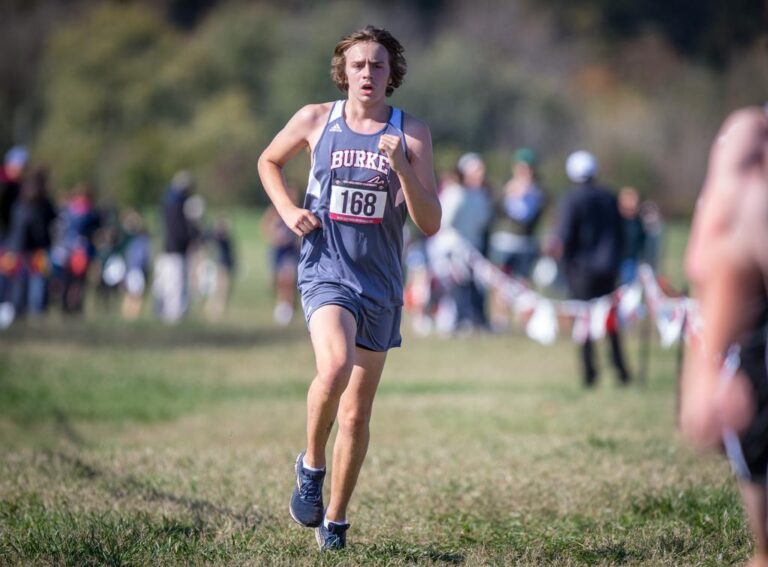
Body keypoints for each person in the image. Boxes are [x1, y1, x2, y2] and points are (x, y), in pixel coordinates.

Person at [257, 26, 440, 551]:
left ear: (392, 73)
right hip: (325, 269)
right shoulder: (316, 119)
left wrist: (403, 168)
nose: (368, 73)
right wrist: (289, 209)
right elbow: (268, 161)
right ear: (344, 71)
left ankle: (335, 521)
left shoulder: (413, 133)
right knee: (333, 367)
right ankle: (311, 464)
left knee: (357, 413)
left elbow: (429, 221)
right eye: (358, 65)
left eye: (378, 65)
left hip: (379, 283)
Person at [681, 106, 768, 567]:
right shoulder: (750, 135)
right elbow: (724, 253)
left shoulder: (748, 135)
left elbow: (714, 253)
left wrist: (706, 367)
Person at [548, 150, 630, 387]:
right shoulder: (609, 196)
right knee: (609, 320)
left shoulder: (572, 199)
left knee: (584, 321)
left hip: (581, 270)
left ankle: (590, 373)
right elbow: (620, 233)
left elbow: (564, 235)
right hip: (609, 267)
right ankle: (621, 370)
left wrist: (561, 262)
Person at [153, 170, 196, 323]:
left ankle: (167, 314)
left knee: (167, 284)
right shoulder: (177, 204)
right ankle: (173, 316)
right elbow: (180, 230)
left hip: (169, 248)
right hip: (175, 250)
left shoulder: (169, 201)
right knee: (174, 285)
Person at [261, 189, 300, 326]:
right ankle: (283, 305)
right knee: (276, 281)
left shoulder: (298, 211)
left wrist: (295, 241)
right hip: (278, 250)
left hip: (290, 251)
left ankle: (287, 309)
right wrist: (274, 238)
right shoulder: (276, 210)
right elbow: (266, 225)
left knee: (288, 279)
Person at [617, 186, 646, 285]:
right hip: (617, 259)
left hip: (632, 260)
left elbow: (642, 240)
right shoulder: (617, 220)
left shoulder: (638, 221)